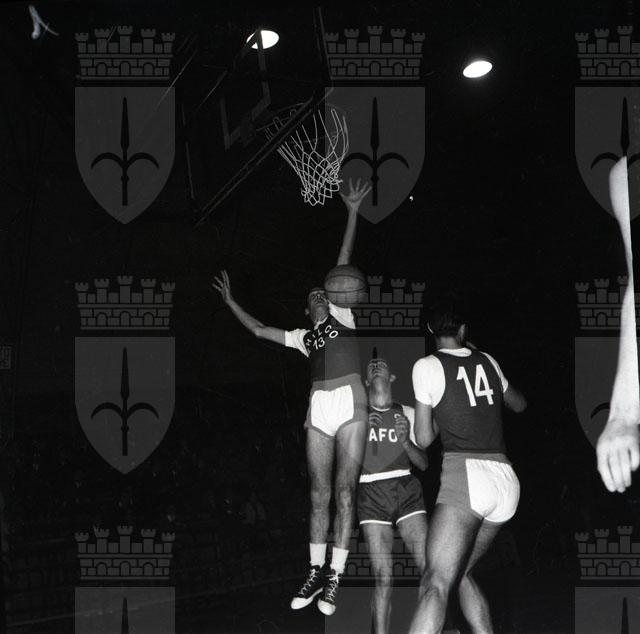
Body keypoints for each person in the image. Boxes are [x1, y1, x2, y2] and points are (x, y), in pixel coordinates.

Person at [212, 178, 371, 616]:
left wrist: (352, 212)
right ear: (307, 309)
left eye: (324, 292)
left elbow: (342, 260)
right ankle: (315, 571)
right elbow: (259, 330)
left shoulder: (342, 313)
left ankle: (335, 576)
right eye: (314, 296)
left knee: (344, 493)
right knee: (318, 494)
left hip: (351, 401)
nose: (320, 296)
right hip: (319, 406)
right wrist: (230, 302)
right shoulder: (303, 337)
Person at [408, 301, 527, 634]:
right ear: (463, 329)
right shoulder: (487, 360)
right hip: (506, 482)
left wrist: (440, 411)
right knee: (459, 574)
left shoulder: (427, 366)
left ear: (430, 330)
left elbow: (423, 438)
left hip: (468, 478)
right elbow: (519, 404)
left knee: (435, 583)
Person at [358, 351, 428, 634]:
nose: (376, 367)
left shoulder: (407, 412)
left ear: (392, 377)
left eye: (381, 365)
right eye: (371, 366)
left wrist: (405, 441)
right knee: (384, 577)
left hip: (406, 488)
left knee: (429, 568)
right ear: (366, 381)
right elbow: (344, 467)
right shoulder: (355, 415)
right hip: (371, 492)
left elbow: (423, 463)